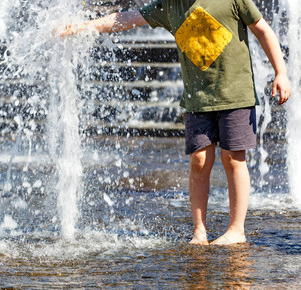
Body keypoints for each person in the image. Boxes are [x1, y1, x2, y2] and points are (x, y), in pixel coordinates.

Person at [55, 0, 291, 245]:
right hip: (197, 99)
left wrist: (280, 72)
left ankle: (236, 229)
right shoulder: (171, 6)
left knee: (233, 158)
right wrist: (83, 26)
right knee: (199, 160)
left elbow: (263, 29)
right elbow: (126, 19)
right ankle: (199, 230)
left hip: (236, 94)